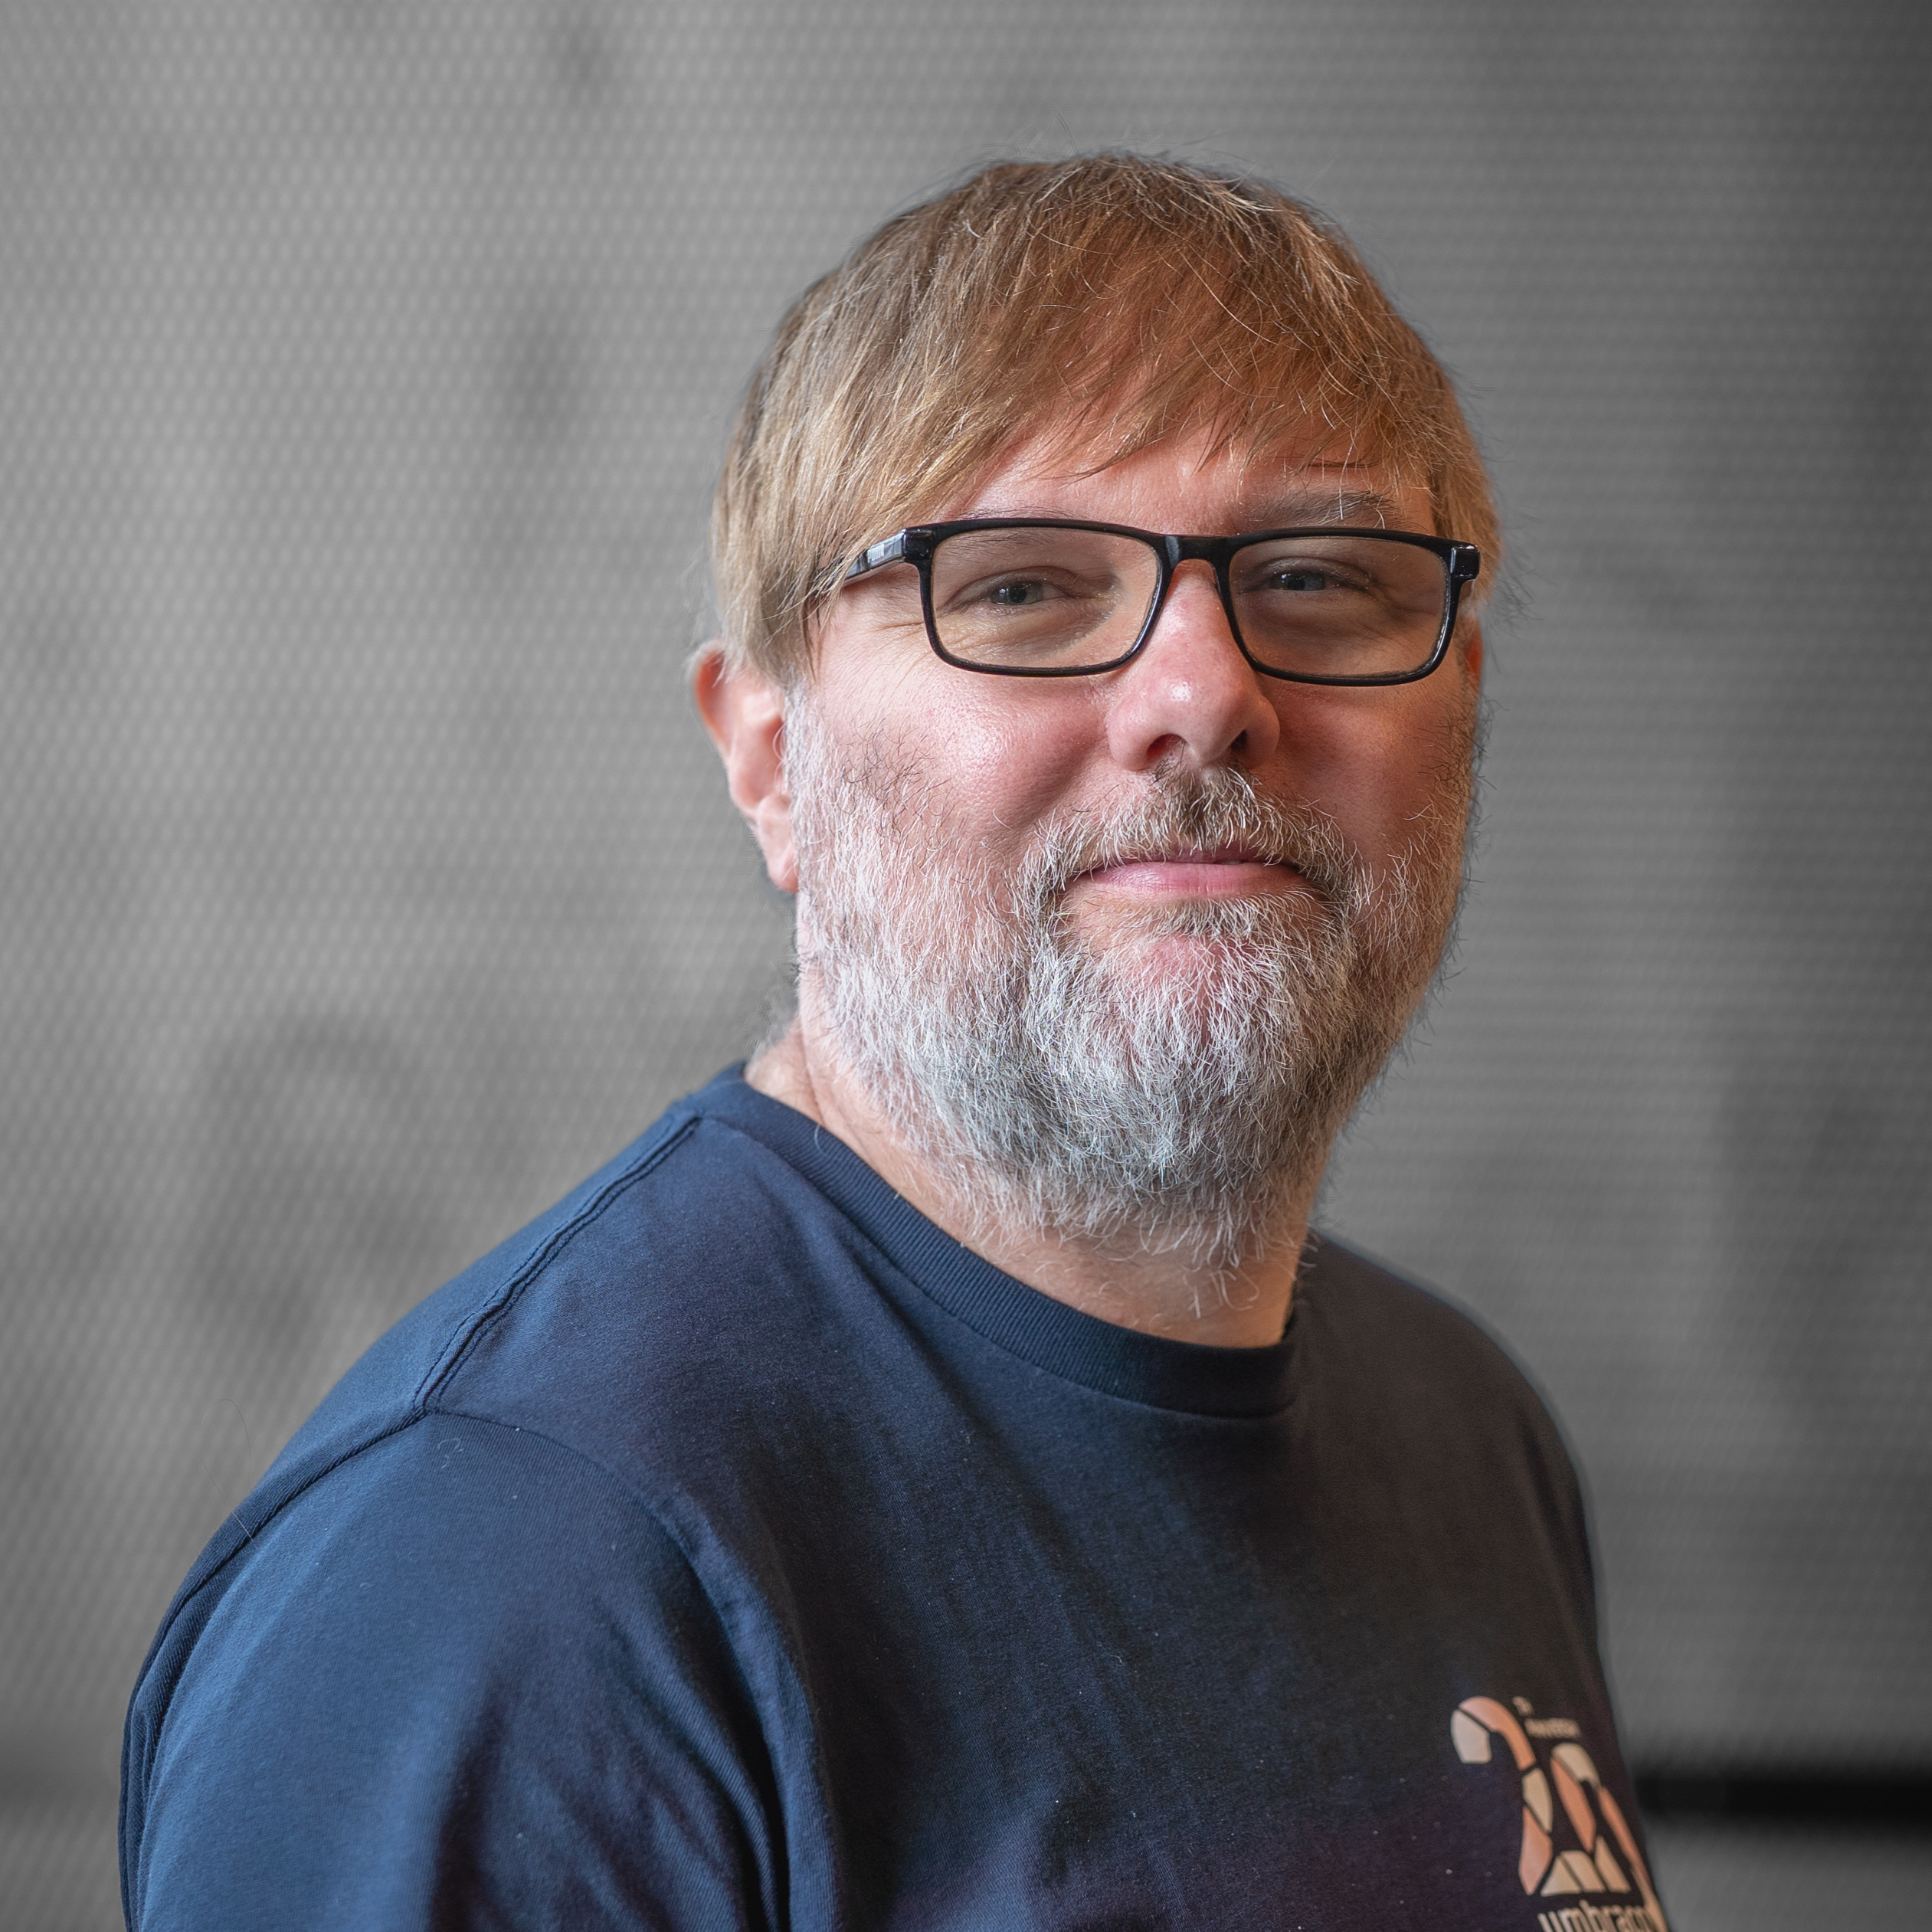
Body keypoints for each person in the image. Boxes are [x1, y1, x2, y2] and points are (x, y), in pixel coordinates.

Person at [121, 155, 1667, 1930]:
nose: (1206, 692)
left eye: (1318, 577)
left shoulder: (1464, 1430)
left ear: (1459, 693)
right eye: (1019, 589)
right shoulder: (513, 1575)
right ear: (769, 756)